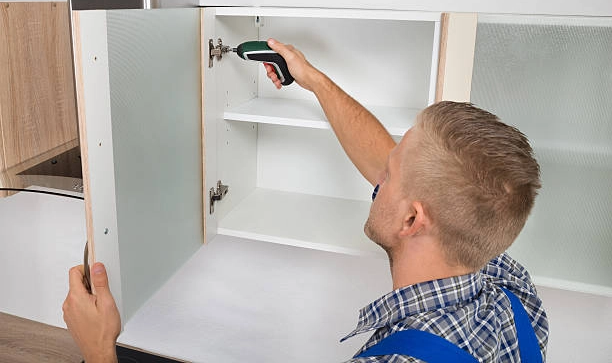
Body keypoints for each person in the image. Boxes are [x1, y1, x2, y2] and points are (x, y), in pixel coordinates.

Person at [63, 39, 549, 362]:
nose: (382, 169)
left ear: (411, 219)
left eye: (394, 168)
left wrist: (100, 351)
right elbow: (390, 165)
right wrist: (311, 79)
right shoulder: (512, 292)